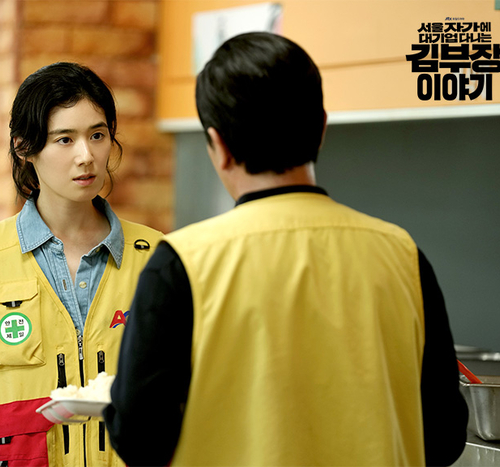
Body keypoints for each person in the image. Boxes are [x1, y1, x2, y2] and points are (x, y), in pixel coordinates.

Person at [103, 32, 468, 466]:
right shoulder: (403, 255)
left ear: (219, 146)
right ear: (321, 129)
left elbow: (140, 438)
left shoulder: (182, 263)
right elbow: (445, 436)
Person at [0, 62, 162, 467]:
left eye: (97, 135)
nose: (86, 156)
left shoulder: (158, 257)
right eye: (65, 139)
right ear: (25, 147)